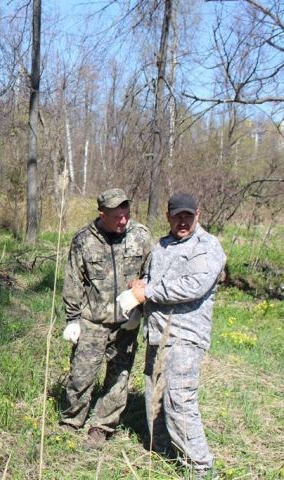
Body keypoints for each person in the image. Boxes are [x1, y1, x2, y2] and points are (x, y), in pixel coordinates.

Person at [128, 193, 225, 479]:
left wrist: (149, 291)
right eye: (177, 216)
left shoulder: (207, 246)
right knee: (153, 398)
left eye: (188, 215)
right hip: (156, 335)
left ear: (198, 214)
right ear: (168, 216)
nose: (183, 221)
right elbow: (154, 280)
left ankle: (200, 468)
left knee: (178, 401)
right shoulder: (161, 245)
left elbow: (193, 285)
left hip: (185, 336)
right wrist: (141, 284)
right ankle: (163, 454)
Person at [60, 188, 152, 449]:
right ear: (102, 214)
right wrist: (72, 319)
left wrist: (139, 312)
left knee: (119, 377)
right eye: (117, 217)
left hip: (126, 324)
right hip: (92, 321)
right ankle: (71, 420)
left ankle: (101, 427)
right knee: (81, 375)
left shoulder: (141, 236)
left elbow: (150, 276)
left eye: (126, 215)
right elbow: (73, 281)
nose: (123, 221)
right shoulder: (83, 240)